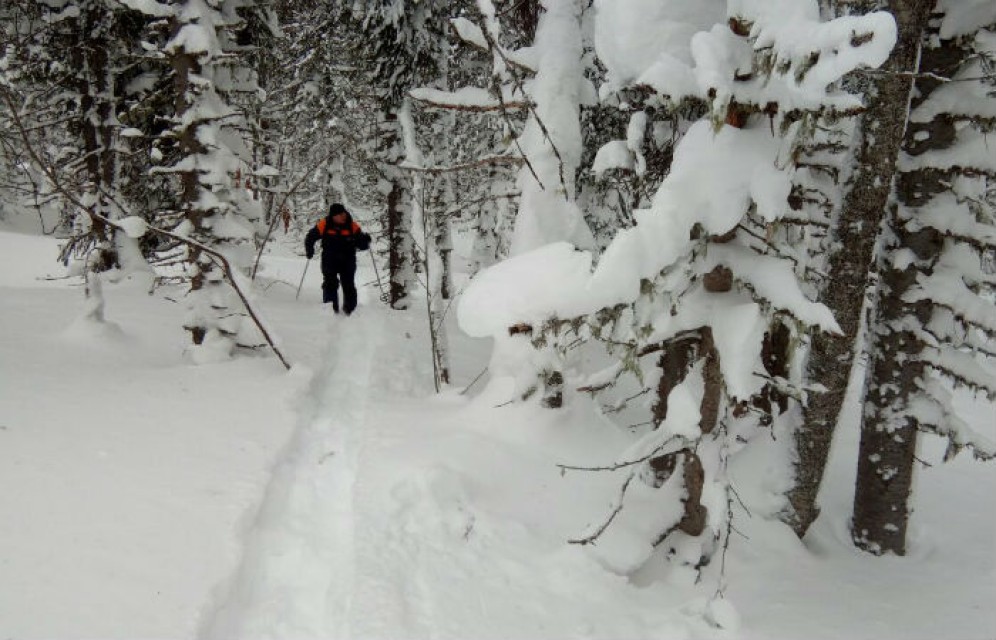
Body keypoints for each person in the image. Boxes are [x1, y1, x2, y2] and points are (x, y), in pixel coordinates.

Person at [304, 203, 371, 314]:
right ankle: (330, 309)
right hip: (329, 259)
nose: (342, 216)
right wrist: (309, 250)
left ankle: (350, 310)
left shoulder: (352, 226)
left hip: (347, 260)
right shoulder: (324, 224)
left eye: (343, 213)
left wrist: (365, 241)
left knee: (348, 284)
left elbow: (362, 245)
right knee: (330, 283)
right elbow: (310, 237)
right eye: (339, 214)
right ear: (333, 216)